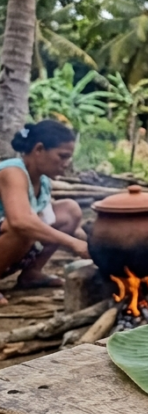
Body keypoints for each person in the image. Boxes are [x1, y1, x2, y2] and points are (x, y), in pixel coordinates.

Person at [0, 120, 89, 306]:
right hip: (11, 235)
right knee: (22, 227)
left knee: (69, 211)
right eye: (62, 156)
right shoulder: (12, 171)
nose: (66, 164)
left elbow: (47, 218)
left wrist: (93, 242)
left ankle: (31, 274)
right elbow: (20, 222)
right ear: (39, 149)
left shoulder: (43, 181)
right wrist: (74, 244)